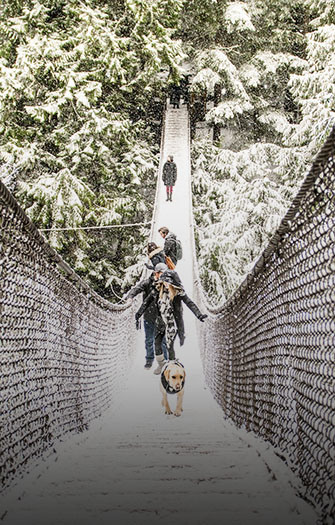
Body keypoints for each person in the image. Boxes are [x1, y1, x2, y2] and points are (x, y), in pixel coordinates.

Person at [135, 268, 208, 375]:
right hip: (160, 322)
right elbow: (146, 302)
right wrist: (138, 314)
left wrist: (199, 315)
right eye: (164, 281)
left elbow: (190, 303)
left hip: (171, 323)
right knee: (157, 345)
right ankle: (161, 365)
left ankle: (172, 367)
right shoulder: (157, 290)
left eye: (168, 282)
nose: (165, 284)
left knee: (170, 347)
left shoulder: (178, 293)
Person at [125, 269, 168, 368]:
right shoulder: (147, 283)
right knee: (149, 340)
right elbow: (136, 289)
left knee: (163, 341)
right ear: (155, 273)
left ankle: (165, 361)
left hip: (161, 318)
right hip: (148, 317)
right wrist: (130, 297)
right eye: (160, 274)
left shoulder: (165, 284)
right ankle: (149, 359)